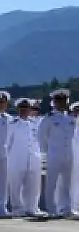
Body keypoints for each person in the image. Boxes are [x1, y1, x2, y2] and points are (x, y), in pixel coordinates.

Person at [40, 90, 75, 218]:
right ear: (54, 102)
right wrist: (47, 151)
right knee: (51, 183)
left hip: (68, 154)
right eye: (59, 101)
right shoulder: (49, 118)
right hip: (54, 154)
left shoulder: (70, 118)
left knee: (66, 183)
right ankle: (51, 209)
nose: (62, 103)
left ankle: (66, 208)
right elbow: (42, 136)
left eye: (64, 100)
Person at [7, 98, 44, 218]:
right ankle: (17, 208)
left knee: (33, 184)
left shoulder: (36, 123)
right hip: (17, 157)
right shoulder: (13, 124)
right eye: (22, 109)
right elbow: (7, 142)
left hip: (33, 158)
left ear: (30, 109)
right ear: (18, 110)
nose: (24, 111)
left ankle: (32, 207)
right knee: (16, 184)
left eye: (26, 109)